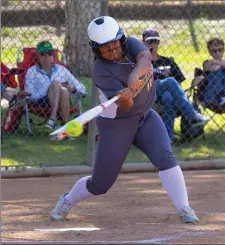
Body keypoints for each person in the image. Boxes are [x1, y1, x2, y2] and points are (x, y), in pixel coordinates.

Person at [50, 16, 199, 224]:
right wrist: (127, 97)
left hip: (145, 115)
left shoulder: (131, 45)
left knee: (165, 158)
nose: (112, 51)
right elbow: (125, 106)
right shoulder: (101, 70)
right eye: (105, 49)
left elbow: (146, 59)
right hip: (116, 125)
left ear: (121, 39)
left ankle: (185, 208)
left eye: (114, 45)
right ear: (96, 50)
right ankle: (67, 200)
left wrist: (133, 78)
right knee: (100, 184)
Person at [142, 28, 209, 142]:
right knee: (170, 81)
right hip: (149, 93)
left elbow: (179, 82)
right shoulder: (140, 61)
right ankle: (192, 115)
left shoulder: (167, 61)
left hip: (167, 96)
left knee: (168, 97)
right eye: (150, 41)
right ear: (143, 42)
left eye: (156, 41)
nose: (153, 44)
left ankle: (167, 139)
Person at [24, 40, 87, 129]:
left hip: (63, 99)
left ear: (53, 55)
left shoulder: (62, 70)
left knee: (64, 90)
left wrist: (71, 89)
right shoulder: (31, 71)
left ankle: (54, 122)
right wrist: (50, 90)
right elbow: (30, 96)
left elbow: (83, 90)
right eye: (43, 54)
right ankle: (63, 126)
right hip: (41, 102)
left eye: (49, 53)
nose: (47, 57)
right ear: (38, 55)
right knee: (55, 84)